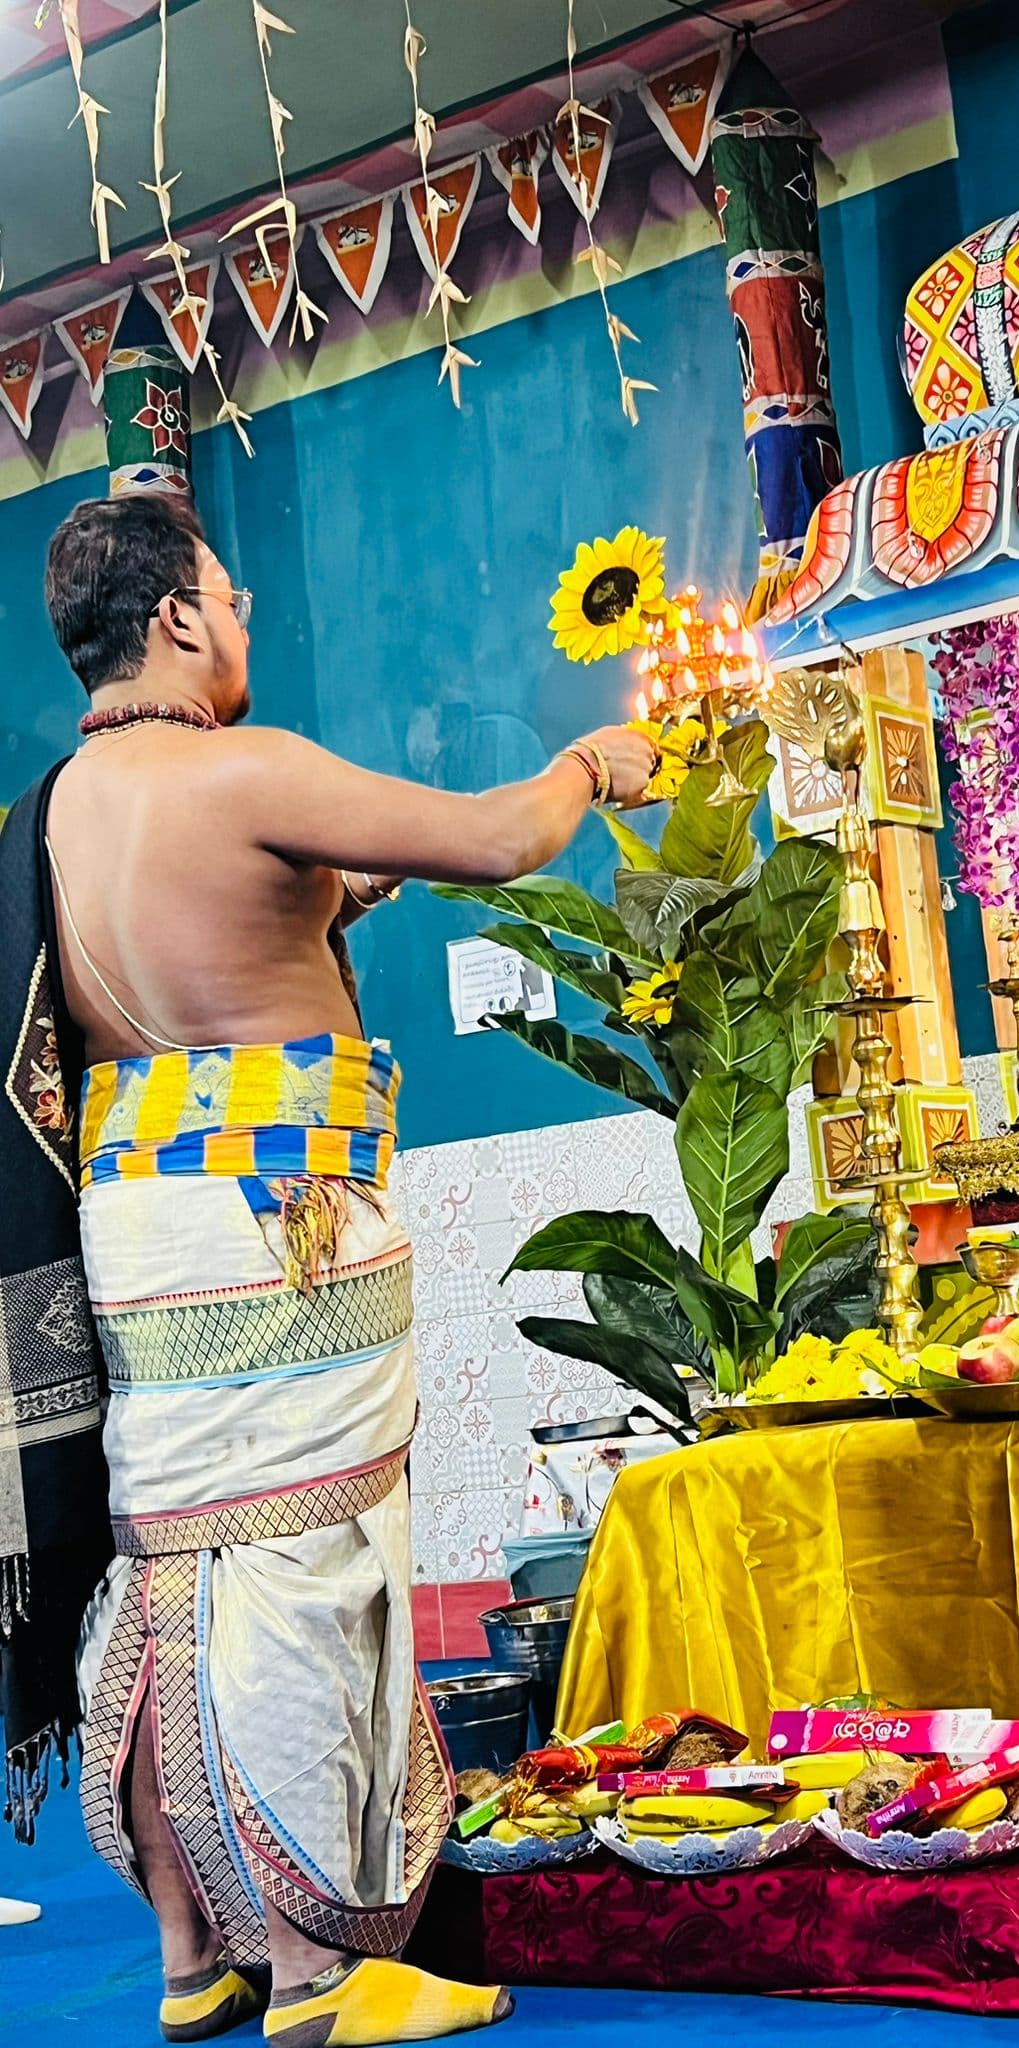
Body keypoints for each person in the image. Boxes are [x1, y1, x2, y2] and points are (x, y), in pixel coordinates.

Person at [0, 492, 655, 2045]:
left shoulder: (52, 814)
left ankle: (190, 1962)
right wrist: (582, 765)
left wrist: (332, 888)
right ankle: (316, 1968)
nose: (243, 622)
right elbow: (500, 837)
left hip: (142, 1234)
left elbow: (208, 943)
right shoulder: (246, 767)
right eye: (226, 597)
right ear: (174, 620)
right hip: (282, 1233)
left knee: (171, 1570)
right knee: (305, 1568)